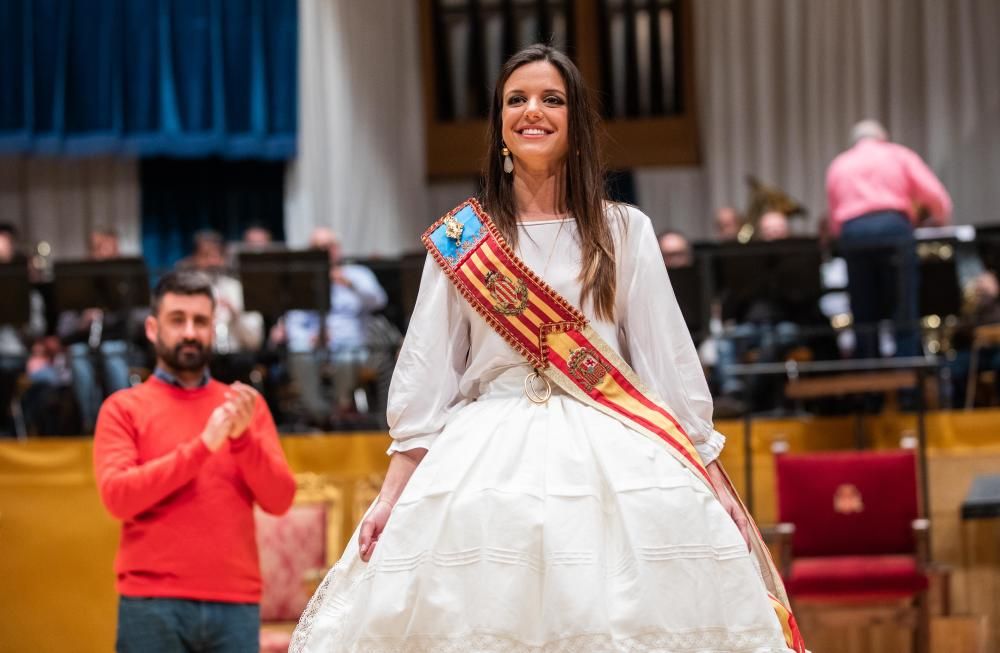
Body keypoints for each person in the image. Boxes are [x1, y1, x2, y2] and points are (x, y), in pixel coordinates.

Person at [291, 45, 802, 652]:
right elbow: (428, 375)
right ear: (500, 122)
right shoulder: (462, 239)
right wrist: (389, 497)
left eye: (551, 99)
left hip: (612, 438)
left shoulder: (623, 229)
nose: (533, 111)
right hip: (484, 454)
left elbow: (666, 360)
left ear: (575, 121)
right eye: (517, 99)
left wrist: (711, 477)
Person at [93, 269, 296, 652]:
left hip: (236, 604)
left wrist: (241, 440)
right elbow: (118, 497)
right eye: (177, 320)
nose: (190, 332)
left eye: (200, 321)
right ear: (153, 329)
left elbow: (280, 499)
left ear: (213, 327)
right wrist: (203, 447)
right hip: (151, 604)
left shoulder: (243, 408)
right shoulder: (122, 408)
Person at [826, 119, 952, 358]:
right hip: (893, 228)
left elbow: (834, 218)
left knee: (863, 309)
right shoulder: (898, 155)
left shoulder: (839, 164)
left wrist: (842, 237)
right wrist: (940, 221)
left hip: (854, 234)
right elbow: (935, 195)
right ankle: (907, 383)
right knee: (902, 306)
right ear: (882, 137)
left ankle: (868, 385)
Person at [272, 227, 389, 427]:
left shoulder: (357, 273)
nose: (324, 251)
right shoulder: (302, 279)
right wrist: (308, 336)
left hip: (352, 344)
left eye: (328, 246)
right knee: (298, 351)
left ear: (338, 248)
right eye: (317, 247)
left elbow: (379, 301)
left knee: (346, 356)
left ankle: (340, 409)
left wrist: (349, 283)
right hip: (315, 344)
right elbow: (293, 319)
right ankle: (321, 414)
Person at [57, 228, 140, 432]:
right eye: (98, 250)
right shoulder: (77, 283)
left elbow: (142, 319)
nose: (103, 257)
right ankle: (91, 425)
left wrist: (120, 311)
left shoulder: (129, 279)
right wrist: (82, 321)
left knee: (111, 353)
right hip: (86, 345)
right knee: (77, 355)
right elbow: (62, 331)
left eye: (109, 250)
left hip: (121, 345)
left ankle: (121, 423)